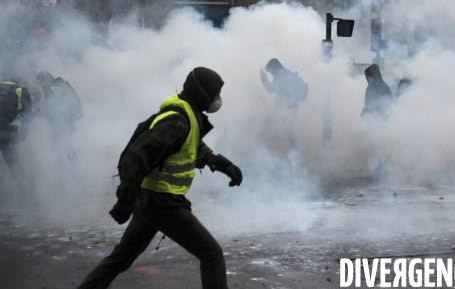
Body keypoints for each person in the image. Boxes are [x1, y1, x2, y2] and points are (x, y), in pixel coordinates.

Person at [76, 67, 242, 289]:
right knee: (212, 255)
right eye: (215, 93)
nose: (218, 99)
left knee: (119, 260)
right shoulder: (177, 121)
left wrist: (221, 164)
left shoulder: (187, 114)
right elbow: (135, 157)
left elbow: (191, 147)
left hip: (149, 202)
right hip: (163, 203)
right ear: (202, 93)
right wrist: (125, 198)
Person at [36, 70, 82, 164]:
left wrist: (33, 113)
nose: (41, 85)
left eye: (41, 81)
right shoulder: (63, 84)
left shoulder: (52, 89)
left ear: (45, 79)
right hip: (69, 125)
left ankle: (60, 176)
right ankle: (77, 173)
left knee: (56, 151)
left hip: (58, 126)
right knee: (70, 150)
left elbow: (47, 108)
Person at [260, 58, 308, 147]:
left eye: (270, 71)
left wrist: (263, 77)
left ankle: (264, 147)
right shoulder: (288, 73)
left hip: (282, 109)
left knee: (264, 123)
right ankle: (299, 149)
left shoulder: (279, 75)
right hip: (293, 109)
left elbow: (270, 90)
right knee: (289, 133)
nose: (271, 73)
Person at [0, 71, 33, 194]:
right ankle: (22, 188)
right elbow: (28, 113)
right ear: (15, 78)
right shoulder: (21, 90)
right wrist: (24, 130)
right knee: (11, 159)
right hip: (11, 132)